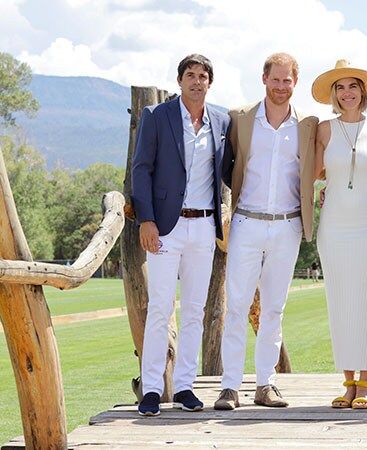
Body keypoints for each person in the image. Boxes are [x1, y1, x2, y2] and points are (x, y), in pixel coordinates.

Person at [214, 53, 318, 410]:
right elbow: (226, 166)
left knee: (274, 309)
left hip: (287, 226)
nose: (281, 86)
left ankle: (265, 385)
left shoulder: (308, 124)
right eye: (275, 79)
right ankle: (229, 387)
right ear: (263, 78)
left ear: (295, 83)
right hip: (246, 222)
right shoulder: (239, 118)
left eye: (287, 80)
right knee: (236, 307)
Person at [131, 54, 230, 416]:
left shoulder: (221, 121)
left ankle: (186, 386)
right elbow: (141, 169)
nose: (197, 81)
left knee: (194, 310)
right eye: (191, 75)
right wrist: (146, 219)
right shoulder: (157, 117)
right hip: (164, 229)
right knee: (159, 308)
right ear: (179, 80)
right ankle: (152, 389)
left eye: (203, 75)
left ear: (209, 82)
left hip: (203, 228)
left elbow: (230, 168)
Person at [311, 59, 367, 409]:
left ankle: (366, 382)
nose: (347, 93)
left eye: (352, 87)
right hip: (335, 224)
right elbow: (312, 173)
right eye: (340, 88)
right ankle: (347, 383)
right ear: (334, 94)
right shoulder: (324, 130)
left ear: (363, 91)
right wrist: (321, 191)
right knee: (340, 300)